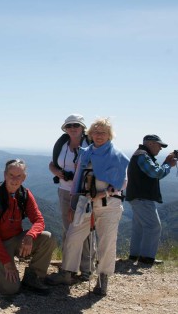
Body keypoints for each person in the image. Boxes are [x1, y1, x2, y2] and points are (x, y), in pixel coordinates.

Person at [47, 117, 130, 296]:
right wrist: (73, 204)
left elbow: (122, 182)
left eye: (103, 132)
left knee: (106, 242)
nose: (99, 135)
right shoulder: (85, 153)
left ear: (110, 135)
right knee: (73, 235)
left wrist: (105, 193)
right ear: (90, 134)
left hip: (109, 204)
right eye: (96, 132)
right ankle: (66, 272)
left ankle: (102, 280)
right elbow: (77, 180)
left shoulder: (117, 155)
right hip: (85, 202)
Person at [0, 159, 57, 295]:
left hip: (16, 239)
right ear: (5, 175)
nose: (14, 179)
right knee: (11, 289)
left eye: (19, 176)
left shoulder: (24, 194)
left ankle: (32, 277)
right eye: (11, 175)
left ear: (24, 178)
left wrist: (30, 235)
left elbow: (39, 220)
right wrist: (6, 262)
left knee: (48, 238)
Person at [48, 114, 93, 281]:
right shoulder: (62, 144)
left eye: (76, 125)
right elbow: (52, 164)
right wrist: (60, 173)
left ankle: (86, 269)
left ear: (83, 128)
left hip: (84, 192)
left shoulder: (89, 145)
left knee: (84, 230)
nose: (73, 128)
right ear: (65, 128)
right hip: (64, 191)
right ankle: (69, 268)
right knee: (69, 229)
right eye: (69, 126)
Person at [126, 134, 177, 265]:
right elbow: (156, 173)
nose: (160, 149)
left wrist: (166, 162)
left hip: (136, 197)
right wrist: (168, 165)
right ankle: (146, 258)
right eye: (159, 145)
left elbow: (153, 173)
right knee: (153, 226)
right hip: (142, 197)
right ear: (151, 144)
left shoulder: (140, 154)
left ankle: (134, 256)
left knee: (140, 227)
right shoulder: (142, 155)